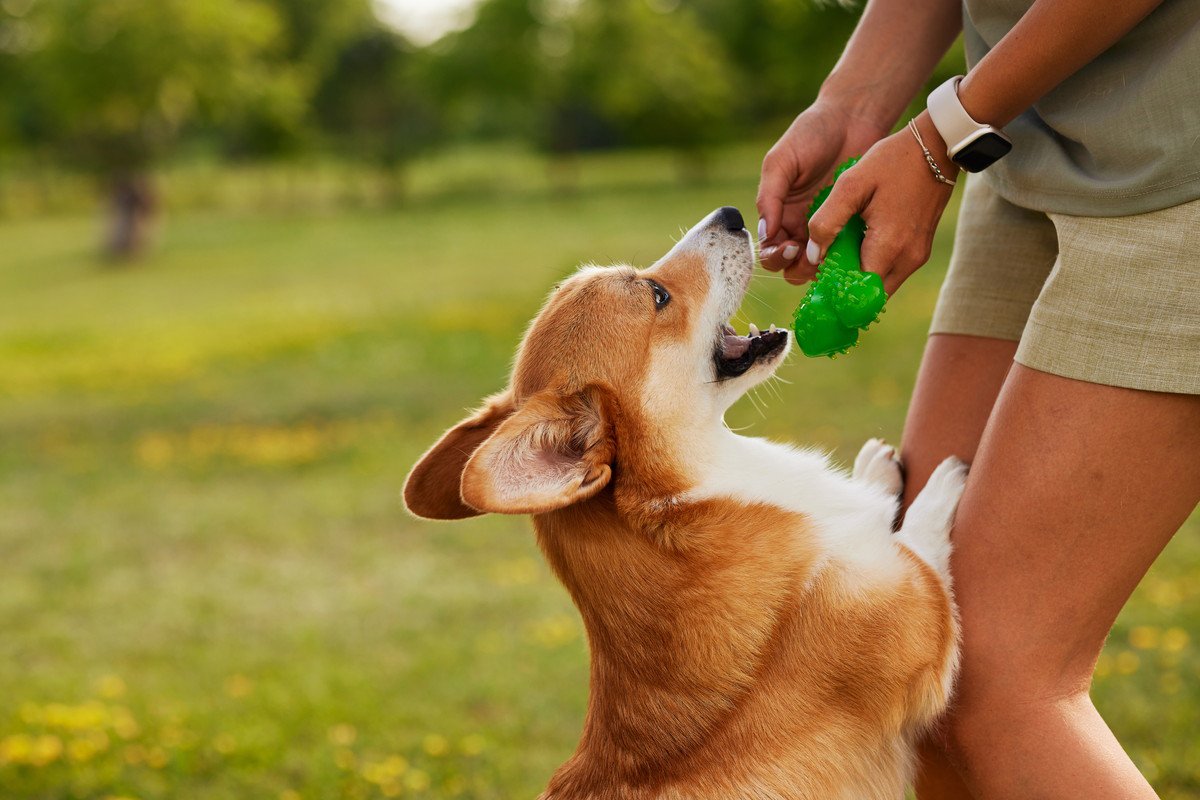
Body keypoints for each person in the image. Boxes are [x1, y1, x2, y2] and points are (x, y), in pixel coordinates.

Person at [755, 0, 1200, 797]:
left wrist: (940, 138)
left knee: (996, 679)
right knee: (911, 660)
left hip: (1180, 162)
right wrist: (848, 107)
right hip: (1025, 142)